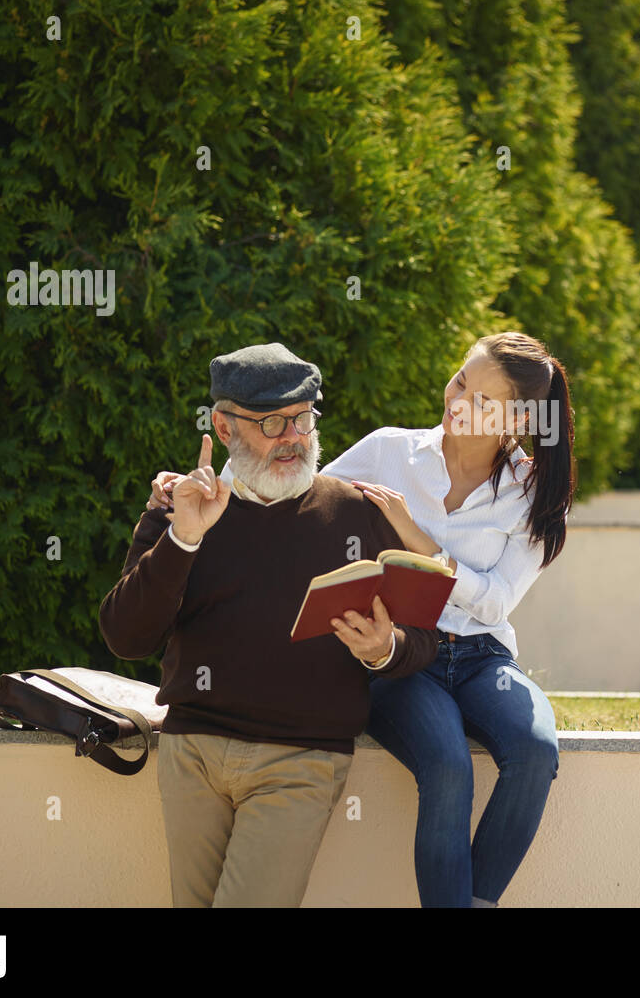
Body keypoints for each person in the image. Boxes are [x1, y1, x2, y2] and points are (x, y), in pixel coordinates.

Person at [149, 332, 576, 907]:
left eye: (480, 402)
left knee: (536, 749)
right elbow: (291, 495)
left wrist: (422, 545)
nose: (456, 402)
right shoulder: (389, 452)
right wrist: (188, 488)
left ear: (519, 420)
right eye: (459, 382)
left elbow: (497, 602)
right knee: (448, 766)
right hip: (398, 656)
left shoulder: (533, 493)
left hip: (481, 657)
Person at [100, 342, 439, 908]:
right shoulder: (178, 508)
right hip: (193, 753)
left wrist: (385, 649)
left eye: (304, 419)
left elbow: (425, 637)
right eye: (273, 422)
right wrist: (183, 538)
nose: (294, 438)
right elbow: (126, 638)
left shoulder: (359, 513)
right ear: (224, 427)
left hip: (302, 758)